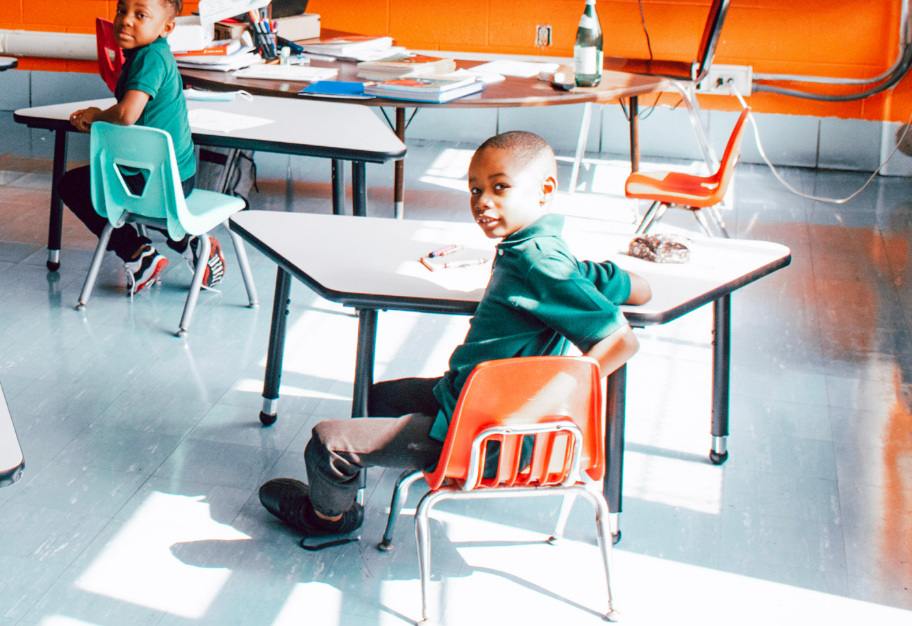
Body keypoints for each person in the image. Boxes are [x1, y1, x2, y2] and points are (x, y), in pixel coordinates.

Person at [258, 130, 652, 539]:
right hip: (465, 399)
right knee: (373, 398)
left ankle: (329, 520)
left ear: (544, 190)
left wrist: (540, 402)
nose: (482, 202)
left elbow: (622, 341)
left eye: (500, 187)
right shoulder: (541, 248)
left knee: (326, 443)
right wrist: (628, 282)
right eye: (475, 190)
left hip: (484, 431)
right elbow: (608, 281)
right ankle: (366, 475)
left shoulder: (539, 262)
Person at [60, 0, 227, 294]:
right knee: (134, 200)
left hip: (160, 182)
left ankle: (138, 254)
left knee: (72, 185)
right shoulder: (148, 54)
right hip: (169, 178)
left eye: (141, 15)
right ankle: (191, 242)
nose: (125, 21)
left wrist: (96, 117)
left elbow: (126, 114)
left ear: (167, 28)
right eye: (121, 10)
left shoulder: (150, 58)